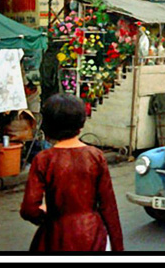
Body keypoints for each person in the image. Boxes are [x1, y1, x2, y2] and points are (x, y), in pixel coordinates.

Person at [20, 93, 124, 252]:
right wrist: (118, 248)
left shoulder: (43, 159)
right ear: (81, 123)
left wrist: (46, 215)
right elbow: (109, 208)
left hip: (56, 236)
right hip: (93, 235)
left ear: (48, 125)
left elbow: (29, 209)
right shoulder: (95, 156)